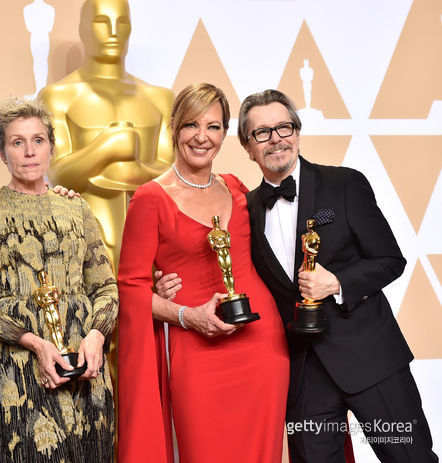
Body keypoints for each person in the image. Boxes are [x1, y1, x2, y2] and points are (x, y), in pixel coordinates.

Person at [239, 89, 438, 462]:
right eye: (262, 133)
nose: (276, 138)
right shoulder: (244, 211)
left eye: (284, 127)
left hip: (371, 359)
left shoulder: (344, 183)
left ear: (297, 134)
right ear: (248, 147)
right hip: (303, 376)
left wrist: (338, 283)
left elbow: (389, 259)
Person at [117, 83, 289, 463]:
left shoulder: (239, 189)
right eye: (191, 125)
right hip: (196, 351)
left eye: (213, 127)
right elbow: (129, 290)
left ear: (225, 133)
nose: (202, 137)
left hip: (262, 346)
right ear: (175, 128)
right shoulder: (150, 198)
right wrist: (187, 316)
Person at [0, 97, 118, 463]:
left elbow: (106, 287)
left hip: (85, 365)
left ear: (52, 147)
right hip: (18, 366)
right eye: (17, 142)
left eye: (38, 140)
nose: (29, 151)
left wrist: (96, 336)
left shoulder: (77, 207)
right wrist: (34, 343)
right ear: (2, 152)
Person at [38, 0, 175, 270]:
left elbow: (172, 175)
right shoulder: (57, 97)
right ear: (83, 29)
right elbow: (58, 173)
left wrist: (108, 172)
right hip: (85, 242)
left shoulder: (160, 98)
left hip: (155, 243)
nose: (113, 31)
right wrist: (107, 147)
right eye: (102, 22)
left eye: (122, 23)